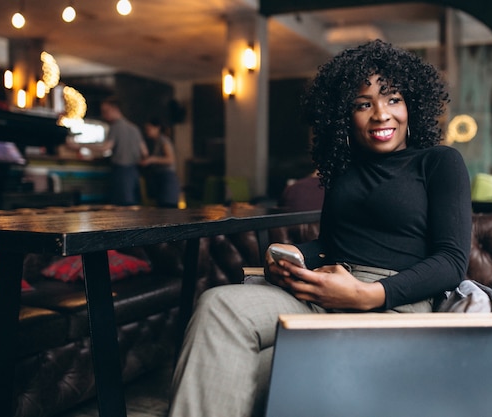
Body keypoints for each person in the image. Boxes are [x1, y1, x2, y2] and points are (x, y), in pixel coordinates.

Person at [168, 40, 472, 417]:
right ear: (344, 114)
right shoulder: (343, 171)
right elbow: (331, 244)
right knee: (217, 304)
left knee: (267, 370)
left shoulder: (439, 162)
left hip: (395, 304)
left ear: (413, 106)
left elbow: (451, 260)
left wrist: (368, 295)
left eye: (393, 99)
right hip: (324, 291)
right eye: (364, 104)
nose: (381, 114)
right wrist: (298, 255)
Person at [100, 96, 148, 205]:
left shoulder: (115, 126)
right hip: (135, 172)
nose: (104, 115)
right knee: (133, 207)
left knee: (121, 209)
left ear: (115, 109)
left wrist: (79, 146)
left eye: (105, 111)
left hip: (121, 172)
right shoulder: (134, 128)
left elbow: (105, 148)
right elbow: (145, 152)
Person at [140, 118, 181, 207]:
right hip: (160, 180)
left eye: (149, 129)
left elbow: (170, 159)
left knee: (168, 212)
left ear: (157, 128)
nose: (147, 132)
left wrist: (151, 159)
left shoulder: (163, 140)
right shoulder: (157, 142)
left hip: (167, 180)